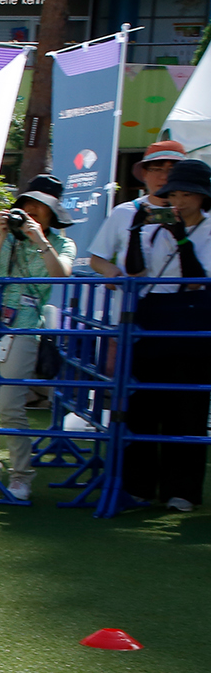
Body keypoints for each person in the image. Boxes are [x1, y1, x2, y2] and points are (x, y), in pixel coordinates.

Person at [0, 179, 75, 502]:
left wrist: (39, 238)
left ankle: (20, 475)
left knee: (12, 407)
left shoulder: (61, 243)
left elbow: (61, 276)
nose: (28, 213)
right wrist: (2, 234)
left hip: (25, 326)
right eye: (24, 208)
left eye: (36, 209)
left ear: (50, 213)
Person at [121, 157, 211, 511]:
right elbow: (134, 271)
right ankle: (139, 486)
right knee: (143, 405)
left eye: (189, 194)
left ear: (203, 197)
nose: (180, 201)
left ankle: (183, 491)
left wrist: (180, 238)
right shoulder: (155, 227)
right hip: (153, 318)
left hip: (195, 323)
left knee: (187, 409)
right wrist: (134, 231)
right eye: (175, 194)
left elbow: (196, 281)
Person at [88, 140, 185, 277]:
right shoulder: (124, 212)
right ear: (144, 173)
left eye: (172, 170)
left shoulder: (195, 212)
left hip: (183, 296)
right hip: (134, 296)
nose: (164, 176)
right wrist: (112, 272)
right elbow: (97, 258)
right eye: (157, 169)